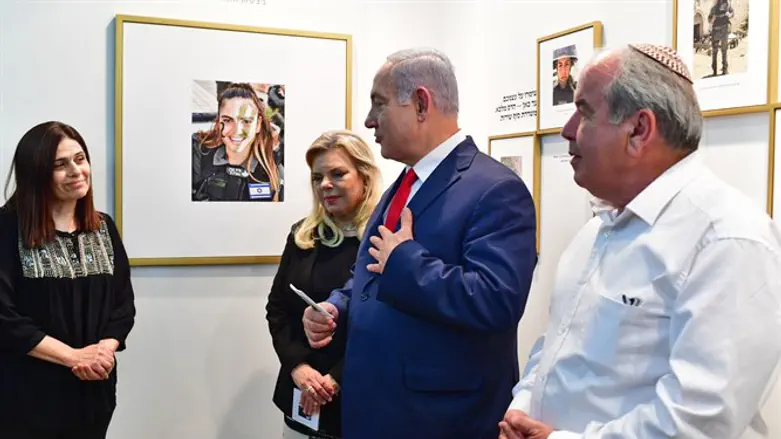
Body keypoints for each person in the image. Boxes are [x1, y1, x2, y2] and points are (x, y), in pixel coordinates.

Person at [499, 44, 781, 439]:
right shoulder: (597, 229)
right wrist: (522, 408)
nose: (567, 130)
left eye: (584, 113)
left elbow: (699, 420)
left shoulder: (727, 239)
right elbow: (557, 345)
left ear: (638, 130)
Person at [302, 48, 538, 439]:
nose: (369, 120)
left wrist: (406, 261)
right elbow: (372, 272)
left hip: (438, 420)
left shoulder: (496, 189)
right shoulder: (403, 185)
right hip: (377, 409)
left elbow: (496, 301)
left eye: (379, 103)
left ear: (421, 104)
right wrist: (336, 307)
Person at [0, 121, 137, 438]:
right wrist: (73, 357)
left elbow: (122, 306)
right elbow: (4, 317)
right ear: (36, 173)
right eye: (60, 165)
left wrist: (102, 352)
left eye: (80, 159)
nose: (77, 171)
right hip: (24, 398)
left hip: (93, 394)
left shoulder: (103, 227)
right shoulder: (6, 229)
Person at [266, 130, 382, 439]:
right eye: (317, 178)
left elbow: (386, 326)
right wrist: (298, 368)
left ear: (365, 177)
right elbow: (277, 310)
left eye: (337, 174)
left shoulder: (384, 240)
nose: (325, 185)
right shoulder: (303, 235)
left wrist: (334, 379)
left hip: (360, 398)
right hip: (300, 396)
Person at [192, 82, 283, 202]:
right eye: (228, 120)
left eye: (246, 121)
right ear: (218, 122)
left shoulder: (273, 163)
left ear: (258, 124)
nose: (237, 131)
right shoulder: (198, 153)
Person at [708, 0, 734, 76]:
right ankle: (714, 71)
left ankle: (725, 69)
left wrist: (729, 15)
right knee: (715, 51)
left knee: (724, 50)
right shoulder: (714, 8)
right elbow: (709, 20)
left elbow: (732, 14)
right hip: (716, 30)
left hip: (724, 30)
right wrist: (713, 18)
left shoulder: (728, 6)